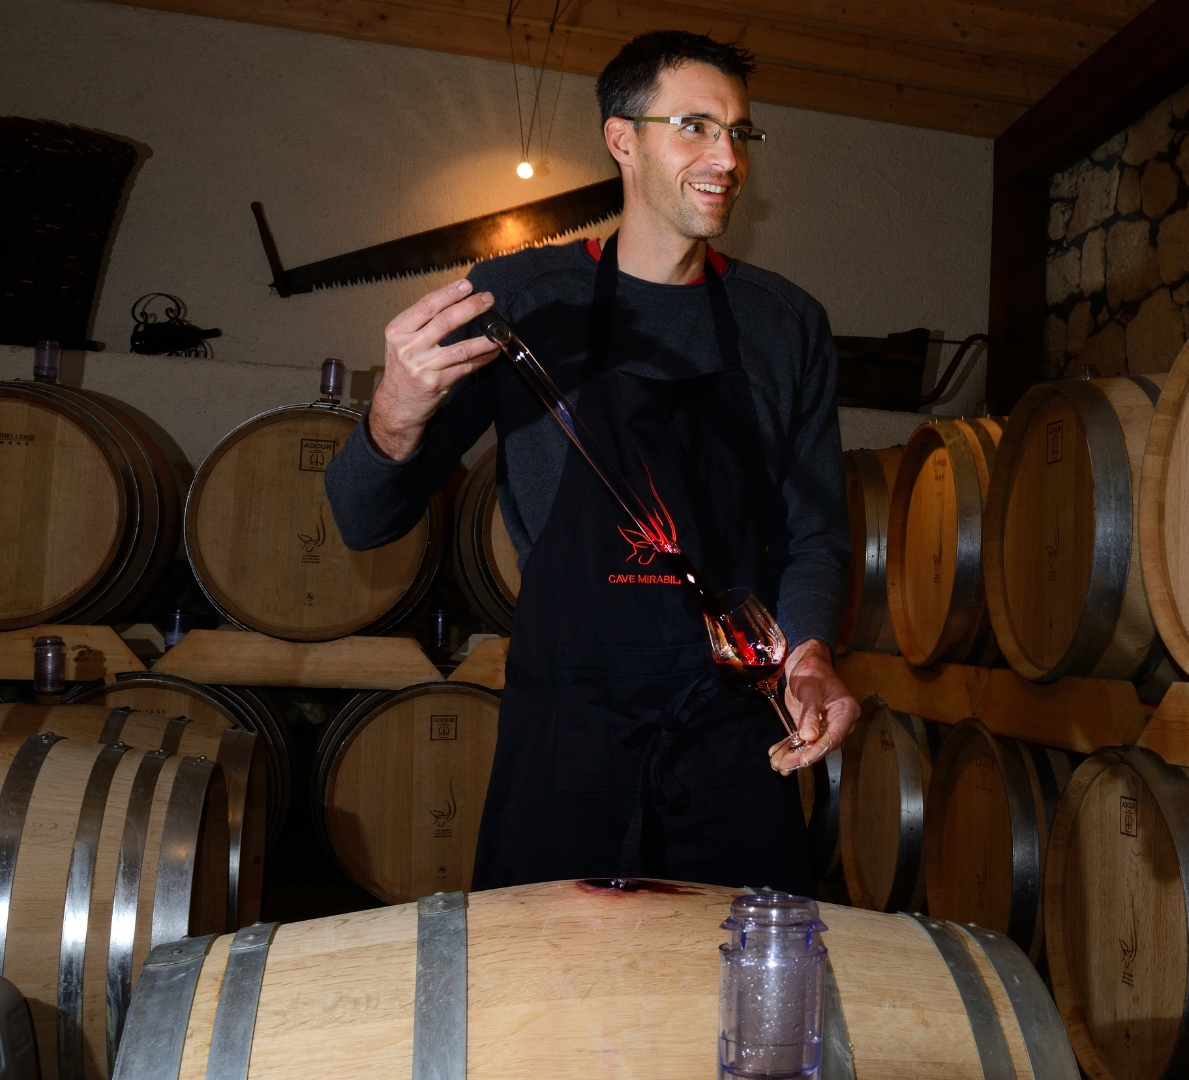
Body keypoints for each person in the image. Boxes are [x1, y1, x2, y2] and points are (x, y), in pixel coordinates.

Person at [325, 30, 858, 896]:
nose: (727, 157)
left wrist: (809, 656)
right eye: (695, 127)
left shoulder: (784, 323)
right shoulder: (520, 298)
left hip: (734, 734)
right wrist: (393, 413)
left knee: (745, 992)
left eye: (739, 133)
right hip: (566, 733)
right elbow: (361, 520)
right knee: (547, 1003)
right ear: (623, 139)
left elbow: (816, 534)